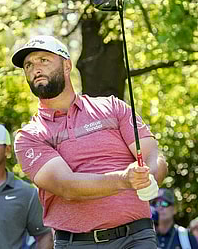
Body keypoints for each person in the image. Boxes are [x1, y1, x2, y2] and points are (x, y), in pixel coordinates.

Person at [11, 35, 168, 248]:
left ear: (67, 65)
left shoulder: (112, 107)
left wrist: (148, 174)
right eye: (28, 65)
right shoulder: (30, 136)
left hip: (136, 238)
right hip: (78, 243)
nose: (35, 68)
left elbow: (153, 154)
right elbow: (67, 186)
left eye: (43, 60)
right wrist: (125, 180)